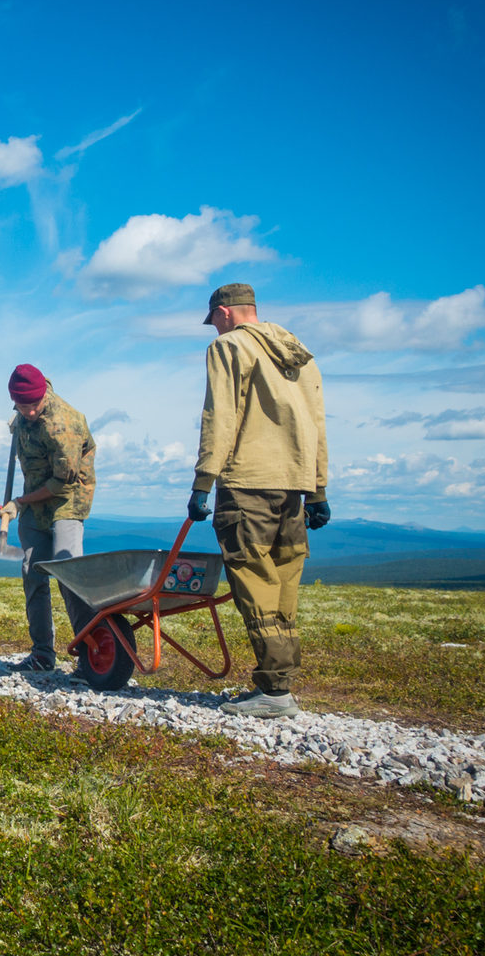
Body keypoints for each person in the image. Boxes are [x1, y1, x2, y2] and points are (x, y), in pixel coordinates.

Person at [188, 283, 330, 719]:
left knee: (253, 578)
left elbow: (220, 414)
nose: (214, 330)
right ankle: (279, 682)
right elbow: (316, 421)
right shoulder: (299, 354)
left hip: (247, 482)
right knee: (284, 581)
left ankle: (273, 691)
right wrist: (319, 488)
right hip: (294, 484)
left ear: (225, 313)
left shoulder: (229, 348)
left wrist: (203, 482)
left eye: (214, 321)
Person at [0, 364, 97, 673]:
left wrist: (19, 502)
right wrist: (20, 503)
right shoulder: (22, 415)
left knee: (68, 572)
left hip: (67, 499)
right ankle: (42, 654)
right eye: (21, 405)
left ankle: (89, 655)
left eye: (34, 405)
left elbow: (61, 483)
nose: (28, 412)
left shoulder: (63, 424)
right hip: (33, 501)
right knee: (32, 571)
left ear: (43, 397)